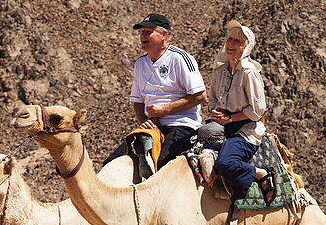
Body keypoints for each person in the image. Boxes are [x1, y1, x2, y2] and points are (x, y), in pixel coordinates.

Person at [105, 13, 207, 172]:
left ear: (164, 35)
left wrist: (165, 110)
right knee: (111, 164)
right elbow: (138, 100)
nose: (143, 36)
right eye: (142, 32)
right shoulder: (140, 64)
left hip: (181, 125)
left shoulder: (179, 58)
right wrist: (143, 121)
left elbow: (200, 96)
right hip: (154, 128)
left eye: (148, 32)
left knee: (161, 167)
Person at [204, 20, 274, 202]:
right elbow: (211, 99)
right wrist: (214, 111)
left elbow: (257, 110)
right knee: (180, 148)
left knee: (225, 163)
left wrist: (230, 118)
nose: (231, 44)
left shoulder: (249, 73)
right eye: (230, 39)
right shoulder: (219, 71)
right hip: (220, 124)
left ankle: (259, 173)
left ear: (246, 47)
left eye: (237, 41)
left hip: (244, 129)